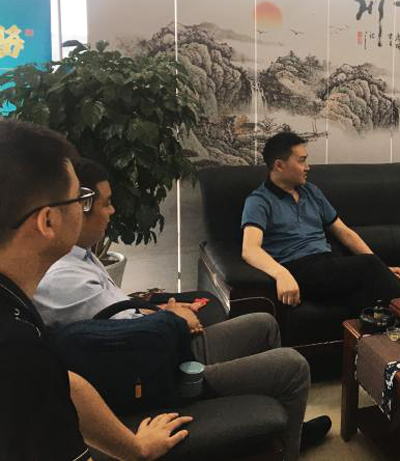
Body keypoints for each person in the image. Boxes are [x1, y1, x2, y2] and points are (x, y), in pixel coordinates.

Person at [32, 158, 329, 460]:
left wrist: (162, 308)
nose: (112, 211)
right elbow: (124, 334)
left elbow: (115, 315)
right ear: (77, 208)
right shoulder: (64, 279)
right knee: (293, 366)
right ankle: (290, 449)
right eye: (106, 204)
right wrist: (174, 318)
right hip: (160, 370)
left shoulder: (78, 256)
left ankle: (283, 430)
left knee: (264, 324)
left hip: (160, 347)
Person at [0, 120, 191, 460]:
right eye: (80, 198)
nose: (86, 208)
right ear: (47, 221)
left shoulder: (15, 305)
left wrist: (136, 448)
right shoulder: (17, 349)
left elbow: (67, 383)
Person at [241, 131, 400, 311]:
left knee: (371, 295)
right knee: (369, 266)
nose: (307, 167)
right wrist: (281, 274)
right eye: (301, 161)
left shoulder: (311, 191)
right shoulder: (259, 201)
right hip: (298, 267)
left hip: (327, 263)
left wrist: (383, 268)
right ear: (279, 165)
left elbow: (344, 232)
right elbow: (250, 249)